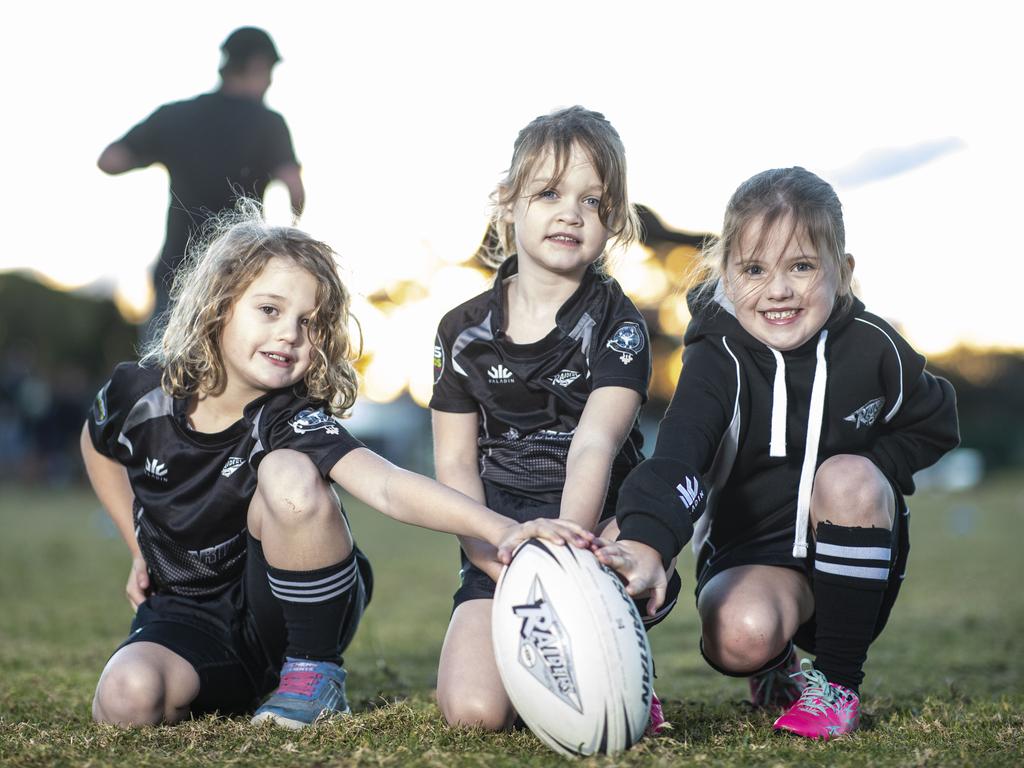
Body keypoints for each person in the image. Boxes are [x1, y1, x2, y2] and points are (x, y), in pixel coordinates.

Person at [80, 204, 592, 729]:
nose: (290, 335)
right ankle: (248, 690)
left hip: (286, 614)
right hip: (184, 617)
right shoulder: (139, 392)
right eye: (270, 310)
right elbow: (96, 444)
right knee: (125, 700)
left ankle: (312, 677)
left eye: (309, 323)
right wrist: (136, 545)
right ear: (219, 306)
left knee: (287, 473)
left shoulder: (288, 418)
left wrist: (505, 531)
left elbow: (389, 486)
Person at [594, 166, 959, 740]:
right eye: (755, 269)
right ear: (727, 275)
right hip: (752, 557)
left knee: (846, 478)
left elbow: (937, 421)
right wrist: (648, 541)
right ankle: (770, 668)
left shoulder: (875, 348)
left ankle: (836, 686)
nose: (779, 290)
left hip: (849, 553)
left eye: (803, 266)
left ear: (843, 270)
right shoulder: (718, 357)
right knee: (735, 631)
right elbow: (680, 458)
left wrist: (872, 474)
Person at [429, 105, 680, 733]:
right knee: (473, 713)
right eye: (549, 193)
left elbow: (595, 441)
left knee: (627, 555)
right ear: (508, 203)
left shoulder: (618, 324)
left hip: (597, 530)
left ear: (612, 224)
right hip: (501, 539)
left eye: (593, 202)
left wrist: (569, 553)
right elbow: (456, 465)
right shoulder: (461, 331)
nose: (571, 212)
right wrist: (500, 557)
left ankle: (616, 663)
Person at [97, 26, 305, 341]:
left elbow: (110, 161)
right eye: (270, 72)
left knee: (162, 377)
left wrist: (160, 151)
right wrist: (287, 239)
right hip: (238, 276)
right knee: (229, 380)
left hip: (176, 271)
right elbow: (294, 190)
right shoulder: (268, 123)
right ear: (258, 65)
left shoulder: (177, 116)